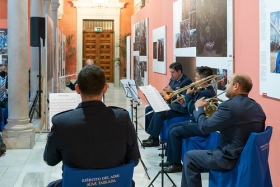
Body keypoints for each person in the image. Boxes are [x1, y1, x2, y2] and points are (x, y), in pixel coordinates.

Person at [44, 65, 140, 187]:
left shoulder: (61, 122)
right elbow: (134, 160)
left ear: (77, 89)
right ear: (105, 88)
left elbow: (50, 161)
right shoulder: (123, 119)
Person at [181, 73, 266, 187]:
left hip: (229, 158)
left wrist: (198, 109)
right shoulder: (257, 106)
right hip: (248, 158)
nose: (225, 86)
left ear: (236, 86)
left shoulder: (228, 106)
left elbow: (204, 127)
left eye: (228, 83)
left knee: (189, 157)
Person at [162, 66, 216, 173]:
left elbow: (193, 110)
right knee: (172, 127)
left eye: (197, 77)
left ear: (204, 80)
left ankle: (176, 164)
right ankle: (171, 159)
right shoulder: (201, 90)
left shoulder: (207, 93)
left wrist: (187, 96)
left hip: (201, 124)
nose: (195, 79)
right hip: (195, 120)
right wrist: (183, 101)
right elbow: (191, 106)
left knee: (175, 132)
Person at [142, 62, 192, 147]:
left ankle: (154, 139)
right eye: (170, 72)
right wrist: (162, 93)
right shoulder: (172, 80)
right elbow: (168, 94)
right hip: (170, 105)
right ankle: (151, 135)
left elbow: (184, 98)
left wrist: (172, 92)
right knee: (149, 109)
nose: (171, 74)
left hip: (179, 108)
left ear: (179, 71)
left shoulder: (187, 82)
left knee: (158, 112)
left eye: (173, 72)